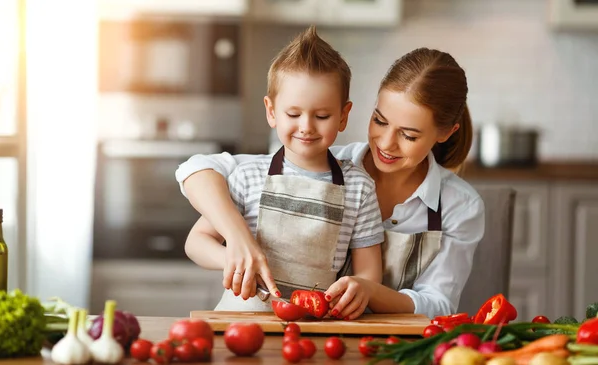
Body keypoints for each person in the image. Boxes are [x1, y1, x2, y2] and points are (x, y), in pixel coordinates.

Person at [176, 46, 485, 320]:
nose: (387, 144)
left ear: (445, 133)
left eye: (409, 135)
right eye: (379, 120)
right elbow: (198, 168)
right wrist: (238, 242)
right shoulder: (306, 158)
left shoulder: (457, 205)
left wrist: (368, 290)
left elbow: (439, 304)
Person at [183, 26, 385, 316]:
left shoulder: (359, 189)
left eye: (322, 116)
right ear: (271, 111)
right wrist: (233, 257)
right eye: (294, 114)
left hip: (314, 328)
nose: (306, 126)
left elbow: (369, 275)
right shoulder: (248, 176)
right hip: (242, 321)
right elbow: (196, 242)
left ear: (343, 116)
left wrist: (357, 290)